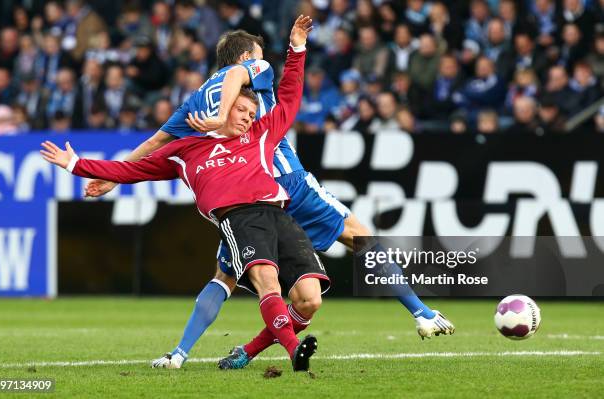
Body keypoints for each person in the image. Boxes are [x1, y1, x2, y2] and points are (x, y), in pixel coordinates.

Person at [85, 21, 454, 370]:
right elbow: (246, 79)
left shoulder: (193, 101)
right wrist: (294, 49)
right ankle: (421, 313)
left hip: (243, 199)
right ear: (247, 57)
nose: (263, 62)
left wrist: (115, 179)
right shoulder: (250, 72)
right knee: (362, 240)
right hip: (285, 182)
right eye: (259, 56)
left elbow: (155, 142)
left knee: (225, 278)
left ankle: (184, 353)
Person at [41, 16, 323, 372]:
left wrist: (297, 46)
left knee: (310, 298)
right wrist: (76, 165)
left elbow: (290, 97)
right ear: (227, 101)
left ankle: (246, 351)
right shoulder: (188, 149)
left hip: (279, 214)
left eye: (252, 112)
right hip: (239, 218)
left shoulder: (261, 133)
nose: (248, 118)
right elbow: (132, 169)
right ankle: (293, 351)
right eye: (241, 110)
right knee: (264, 281)